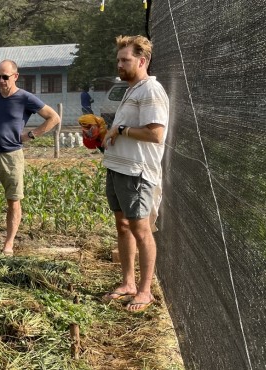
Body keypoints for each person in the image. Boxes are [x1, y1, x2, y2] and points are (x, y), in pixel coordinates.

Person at [100, 35, 169, 313]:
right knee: (123, 227)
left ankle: (145, 291)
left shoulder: (151, 90)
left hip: (137, 173)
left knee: (141, 230)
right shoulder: (131, 89)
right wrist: (105, 134)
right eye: (118, 60)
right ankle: (128, 283)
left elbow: (155, 133)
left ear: (142, 61)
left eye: (125, 60)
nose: (119, 64)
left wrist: (122, 130)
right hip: (118, 168)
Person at [0, 60, 60, 255]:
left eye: (5, 77)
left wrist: (31, 135)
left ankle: (8, 243)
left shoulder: (25, 98)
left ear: (15, 76)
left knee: (13, 200)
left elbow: (54, 117)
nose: (0, 80)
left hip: (11, 156)